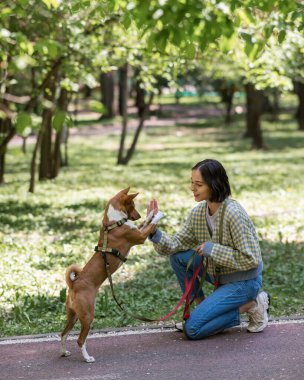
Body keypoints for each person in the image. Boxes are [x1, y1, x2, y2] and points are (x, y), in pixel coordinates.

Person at [148, 158, 269, 340]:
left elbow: (251, 259)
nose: (192, 188)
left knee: (193, 330)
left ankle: (252, 305)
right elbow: (174, 244)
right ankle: (203, 309)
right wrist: (154, 231)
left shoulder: (234, 214)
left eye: (198, 184)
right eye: (192, 182)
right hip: (218, 274)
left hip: (244, 282)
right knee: (178, 257)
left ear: (214, 185)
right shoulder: (198, 213)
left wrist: (212, 249)